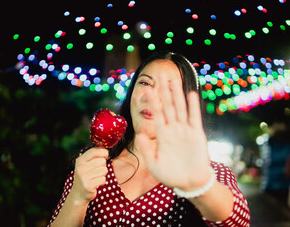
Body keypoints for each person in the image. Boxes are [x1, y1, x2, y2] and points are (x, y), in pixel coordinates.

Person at [48, 51, 250, 226]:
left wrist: (199, 186)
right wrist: (78, 196)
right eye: (145, 82)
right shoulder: (92, 164)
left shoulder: (207, 172)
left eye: (170, 89)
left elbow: (237, 220)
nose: (151, 96)